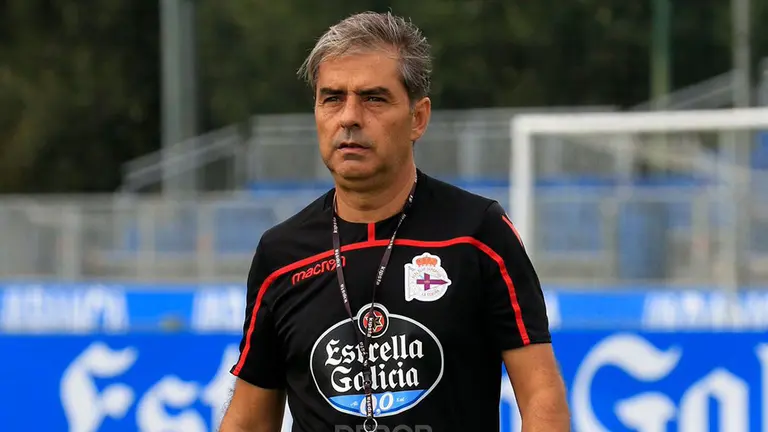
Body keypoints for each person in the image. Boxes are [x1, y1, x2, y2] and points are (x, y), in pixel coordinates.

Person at [219, 11, 570, 432]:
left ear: (418, 118)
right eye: (332, 98)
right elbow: (249, 421)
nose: (349, 117)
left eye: (373, 98)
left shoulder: (478, 233)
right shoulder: (281, 254)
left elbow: (542, 396)